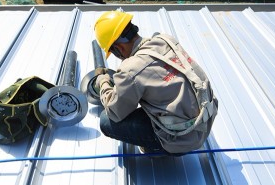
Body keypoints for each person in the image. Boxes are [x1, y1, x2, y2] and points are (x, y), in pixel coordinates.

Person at [93, 10, 218, 156]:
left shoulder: (130, 70)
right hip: (205, 122)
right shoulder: (165, 40)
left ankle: (160, 149)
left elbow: (115, 111)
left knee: (105, 121)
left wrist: (103, 83)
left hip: (182, 138)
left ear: (119, 48)